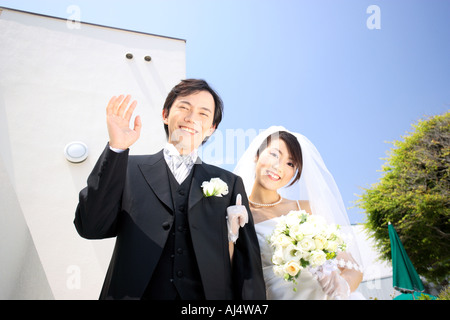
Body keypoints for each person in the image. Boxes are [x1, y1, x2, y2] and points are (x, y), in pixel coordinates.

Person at [74, 79, 266, 300]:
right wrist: (117, 148)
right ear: (165, 114)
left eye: (203, 114)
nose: (192, 118)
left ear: (211, 129)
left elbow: (247, 262)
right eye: (184, 107)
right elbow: (90, 227)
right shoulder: (127, 168)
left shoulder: (230, 183)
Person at [233, 126, 365, 300]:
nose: (278, 167)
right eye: (274, 154)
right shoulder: (237, 214)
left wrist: (341, 288)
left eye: (290, 163)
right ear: (256, 155)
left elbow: (352, 268)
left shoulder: (306, 209)